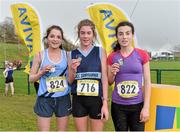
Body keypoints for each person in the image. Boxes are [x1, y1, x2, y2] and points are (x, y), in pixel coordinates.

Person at [107, 21, 151, 131]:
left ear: (132, 35)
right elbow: (109, 81)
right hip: (118, 106)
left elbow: (147, 82)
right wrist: (112, 73)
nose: (124, 37)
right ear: (117, 36)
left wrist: (146, 107)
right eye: (120, 34)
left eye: (127, 33)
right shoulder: (112, 56)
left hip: (137, 105)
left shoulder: (142, 54)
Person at [68, 19, 109, 131]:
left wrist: (105, 103)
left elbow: (104, 79)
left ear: (93, 35)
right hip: (78, 101)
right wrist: (73, 70)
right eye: (82, 33)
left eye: (88, 33)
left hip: (96, 101)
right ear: (79, 34)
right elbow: (70, 81)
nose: (85, 36)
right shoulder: (71, 54)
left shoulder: (100, 51)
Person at [29, 25, 71, 131]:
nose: (55, 39)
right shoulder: (39, 55)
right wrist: (41, 72)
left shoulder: (67, 55)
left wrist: (73, 69)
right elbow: (31, 79)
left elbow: (71, 79)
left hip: (63, 98)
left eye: (58, 37)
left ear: (62, 40)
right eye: (52, 36)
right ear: (47, 38)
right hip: (45, 99)